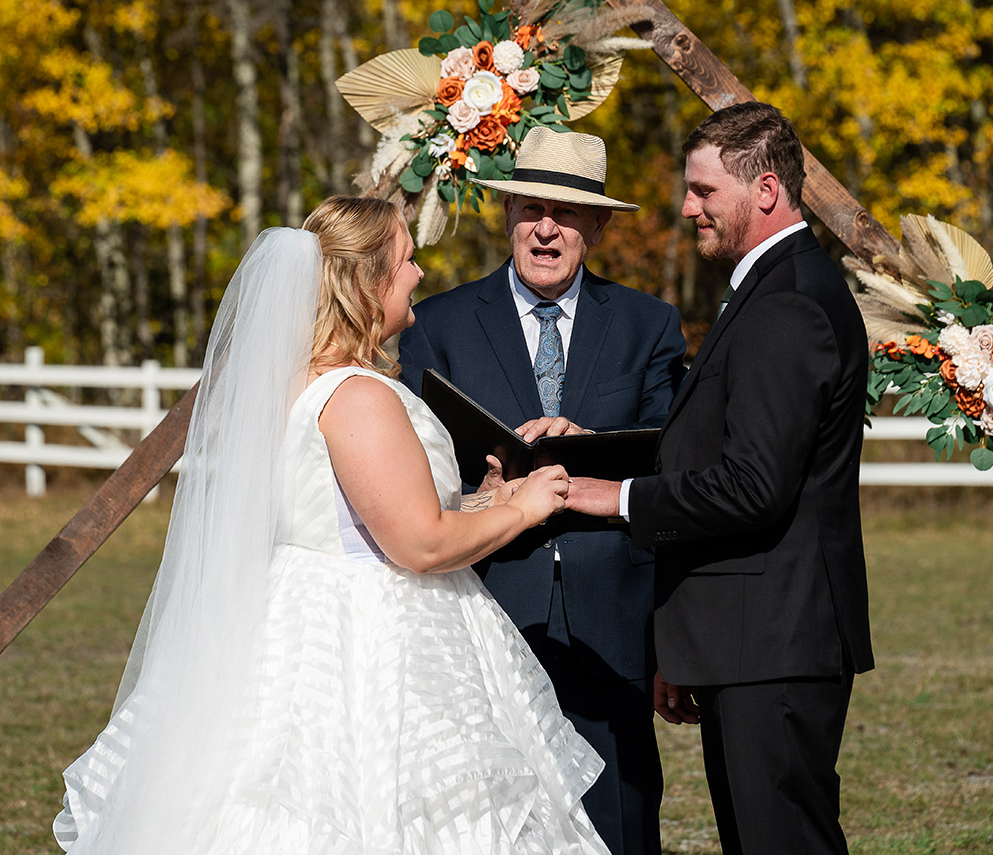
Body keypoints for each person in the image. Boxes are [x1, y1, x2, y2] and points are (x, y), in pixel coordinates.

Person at [53, 196, 611, 854]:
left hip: (293, 616)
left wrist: (487, 500)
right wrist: (526, 508)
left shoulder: (292, 383)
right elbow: (418, 543)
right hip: (369, 644)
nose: (419, 276)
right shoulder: (358, 396)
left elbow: (350, 518)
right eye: (407, 261)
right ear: (368, 282)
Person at [568, 102, 875, 855]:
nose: (686, 207)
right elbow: (709, 446)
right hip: (748, 641)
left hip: (774, 642)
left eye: (704, 191)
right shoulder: (772, 288)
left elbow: (752, 485)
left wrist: (618, 499)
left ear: (764, 189)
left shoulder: (788, 305)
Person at [398, 127, 687, 855]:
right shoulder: (436, 324)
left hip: (613, 612)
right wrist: (487, 485)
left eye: (564, 213)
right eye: (530, 208)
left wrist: (585, 443)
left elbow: (672, 463)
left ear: (598, 224)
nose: (545, 228)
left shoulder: (648, 325)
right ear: (506, 216)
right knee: (496, 811)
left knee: (617, 808)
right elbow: (412, 464)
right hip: (487, 602)